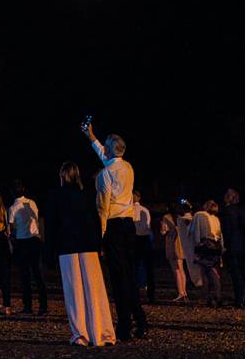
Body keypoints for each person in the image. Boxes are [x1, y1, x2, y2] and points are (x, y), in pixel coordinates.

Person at [81, 121, 148, 342]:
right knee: (129, 276)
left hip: (114, 226)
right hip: (129, 226)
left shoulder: (104, 175)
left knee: (119, 279)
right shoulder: (128, 168)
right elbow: (107, 157)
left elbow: (103, 207)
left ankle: (124, 326)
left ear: (111, 150)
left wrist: (100, 236)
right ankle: (141, 322)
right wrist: (91, 137)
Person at [47, 162, 116, 347]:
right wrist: (98, 244)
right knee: (94, 290)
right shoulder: (86, 195)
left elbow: (52, 226)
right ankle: (102, 332)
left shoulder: (56, 196)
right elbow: (95, 219)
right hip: (88, 246)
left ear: (62, 176)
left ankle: (80, 334)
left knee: (74, 291)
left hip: (67, 247)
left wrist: (49, 251)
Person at [8, 181, 49, 316]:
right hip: (35, 239)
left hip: (22, 241)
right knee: (38, 274)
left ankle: (28, 306)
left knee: (25, 275)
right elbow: (36, 218)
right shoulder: (32, 203)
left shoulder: (13, 208)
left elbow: (12, 227)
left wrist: (13, 241)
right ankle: (43, 305)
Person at [188, 199, 225, 307]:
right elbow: (220, 234)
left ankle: (213, 297)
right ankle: (214, 296)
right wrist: (222, 247)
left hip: (205, 245)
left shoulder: (199, 215)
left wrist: (197, 243)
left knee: (206, 272)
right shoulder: (216, 219)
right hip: (215, 246)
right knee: (213, 271)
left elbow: (195, 231)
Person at [159, 204, 188, 301]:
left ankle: (180, 292)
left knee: (176, 269)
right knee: (181, 268)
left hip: (172, 243)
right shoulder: (182, 218)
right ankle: (184, 292)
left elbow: (163, 231)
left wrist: (162, 228)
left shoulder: (166, 217)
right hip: (181, 243)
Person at [220, 189, 243, 309]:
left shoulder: (226, 211)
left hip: (232, 245)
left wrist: (224, 245)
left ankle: (239, 299)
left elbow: (226, 230)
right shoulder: (240, 210)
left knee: (235, 274)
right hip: (241, 244)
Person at [132, 191, 155, 303]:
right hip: (144, 238)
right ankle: (150, 294)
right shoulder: (144, 210)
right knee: (147, 267)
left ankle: (136, 293)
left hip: (137, 239)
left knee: (135, 267)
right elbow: (148, 225)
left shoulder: (131, 210)